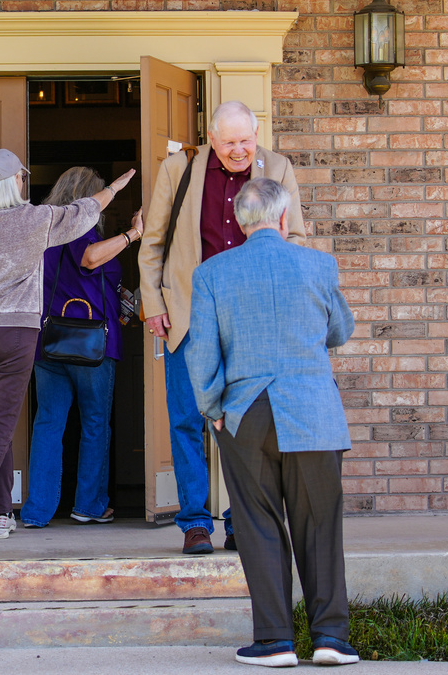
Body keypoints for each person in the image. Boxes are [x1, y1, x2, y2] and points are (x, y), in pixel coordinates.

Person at [187, 178, 358, 668]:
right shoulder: (319, 264)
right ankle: (331, 639)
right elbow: (339, 331)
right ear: (284, 219)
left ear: (241, 222)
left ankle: (275, 642)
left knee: (258, 523)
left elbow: (201, 355)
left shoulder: (212, 272)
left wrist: (213, 410)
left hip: (245, 411)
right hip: (312, 409)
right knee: (320, 524)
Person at [0, 149, 133, 540]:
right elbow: (85, 212)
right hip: (17, 337)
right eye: (22, 178)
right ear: (15, 182)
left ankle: (6, 513)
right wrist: (113, 188)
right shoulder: (34, 220)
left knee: (1, 423)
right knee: (1, 427)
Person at [137, 100, 307, 555]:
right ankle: (195, 523)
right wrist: (152, 303)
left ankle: (240, 521)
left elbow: (294, 238)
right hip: (189, 315)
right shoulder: (179, 170)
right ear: (212, 138)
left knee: (246, 426)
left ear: (257, 135)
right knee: (187, 420)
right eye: (229, 142)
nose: (239, 151)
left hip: (252, 320)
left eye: (246, 141)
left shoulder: (278, 168)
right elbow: (153, 243)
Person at [20, 166, 143, 529]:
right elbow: (89, 258)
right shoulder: (78, 228)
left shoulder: (42, 230)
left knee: (47, 423)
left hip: (51, 341)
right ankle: (89, 505)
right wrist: (134, 233)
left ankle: (37, 510)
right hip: (92, 345)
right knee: (94, 423)